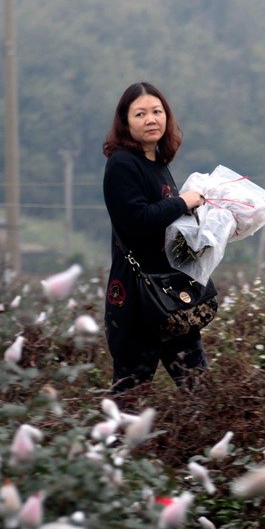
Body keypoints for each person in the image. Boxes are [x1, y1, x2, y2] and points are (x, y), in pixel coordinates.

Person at [101, 82, 210, 393]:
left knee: (200, 391)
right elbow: (137, 220)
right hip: (138, 299)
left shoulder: (158, 164)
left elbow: (165, 221)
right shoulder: (122, 164)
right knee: (129, 398)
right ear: (125, 122)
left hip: (170, 295)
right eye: (140, 114)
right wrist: (182, 202)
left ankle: (196, 442)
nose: (151, 119)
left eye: (157, 111)